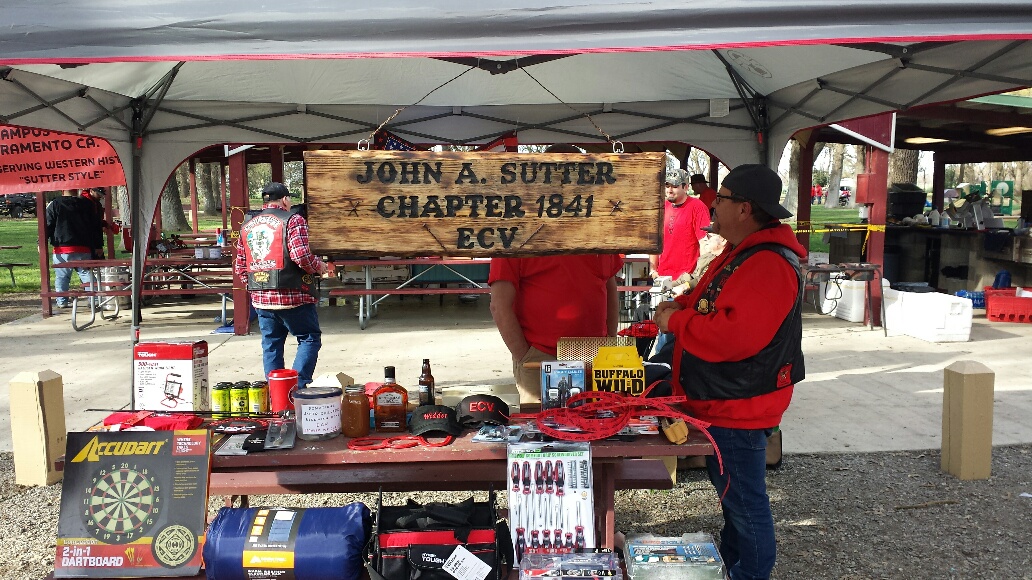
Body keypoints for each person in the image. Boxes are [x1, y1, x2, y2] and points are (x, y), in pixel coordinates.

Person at [655, 164, 806, 580]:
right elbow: (712, 302)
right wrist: (681, 306)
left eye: (720, 199)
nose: (712, 206)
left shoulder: (767, 264)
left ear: (744, 208)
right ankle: (733, 565)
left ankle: (751, 573)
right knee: (734, 499)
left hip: (740, 405)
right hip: (727, 400)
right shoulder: (744, 253)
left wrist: (676, 321)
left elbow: (732, 336)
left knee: (745, 504)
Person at [488, 144, 623, 404]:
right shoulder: (517, 230)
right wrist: (525, 355)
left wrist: (610, 340)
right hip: (542, 357)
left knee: (599, 423)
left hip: (595, 355)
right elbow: (499, 305)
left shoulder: (598, 229)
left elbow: (609, 285)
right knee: (542, 429)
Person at [235, 182, 329, 388]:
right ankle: (297, 387)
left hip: (261, 300)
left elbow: (241, 267)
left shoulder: (248, 224)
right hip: (293, 296)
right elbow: (301, 256)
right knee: (309, 338)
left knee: (271, 346)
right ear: (285, 200)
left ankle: (276, 394)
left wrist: (255, 290)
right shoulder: (293, 220)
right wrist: (319, 266)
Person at [648, 168, 710, 356]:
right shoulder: (661, 207)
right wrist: (653, 269)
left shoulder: (697, 207)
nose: (669, 189)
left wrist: (697, 278)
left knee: (675, 335)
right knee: (661, 330)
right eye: (667, 185)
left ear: (686, 187)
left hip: (685, 281)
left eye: (674, 186)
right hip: (662, 279)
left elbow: (705, 245)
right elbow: (654, 242)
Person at [45, 189, 103, 308]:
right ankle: (95, 299)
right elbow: (95, 226)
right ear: (77, 190)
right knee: (86, 274)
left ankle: (62, 301)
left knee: (62, 276)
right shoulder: (87, 204)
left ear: (62, 190)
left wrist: (41, 241)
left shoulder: (55, 204)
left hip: (62, 247)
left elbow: (48, 224)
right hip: (84, 246)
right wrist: (98, 245)